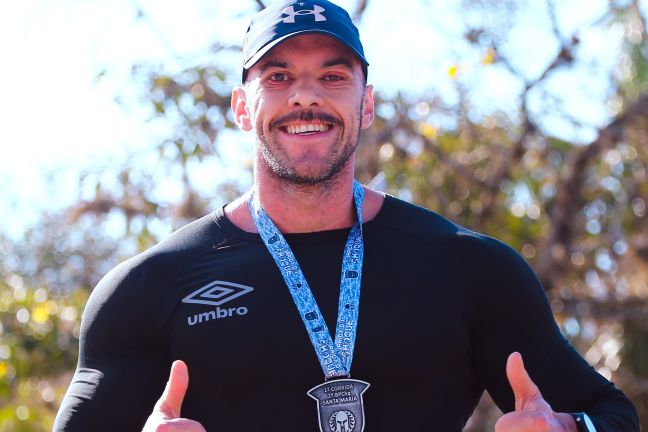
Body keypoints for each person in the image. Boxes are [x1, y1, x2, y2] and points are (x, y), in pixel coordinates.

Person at [53, 0, 639, 431]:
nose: (306, 96)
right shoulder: (150, 287)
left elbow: (613, 414)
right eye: (278, 77)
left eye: (333, 76)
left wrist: (569, 429)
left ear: (367, 102)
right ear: (240, 107)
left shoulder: (466, 267)